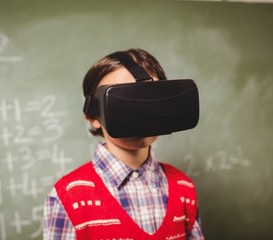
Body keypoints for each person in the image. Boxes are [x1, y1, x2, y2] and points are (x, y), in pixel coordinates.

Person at [43, 48, 204, 239]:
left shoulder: (183, 187)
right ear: (93, 117)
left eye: (150, 99)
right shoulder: (69, 197)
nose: (141, 114)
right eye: (124, 102)